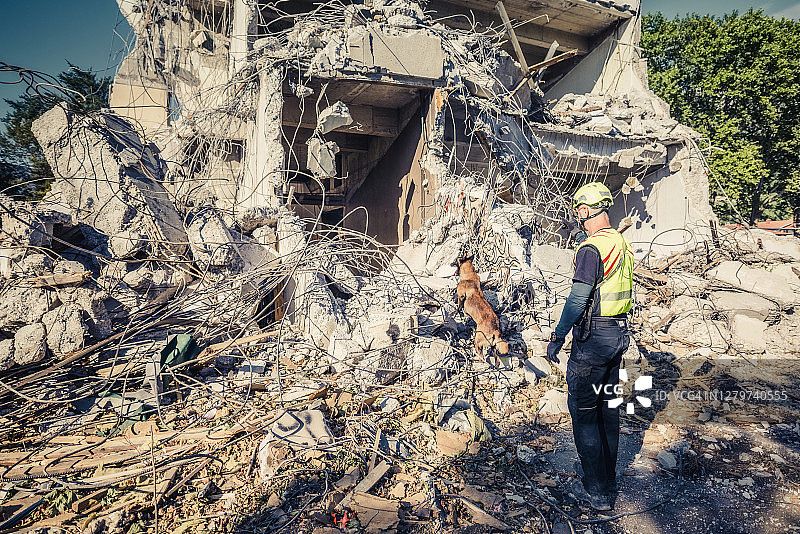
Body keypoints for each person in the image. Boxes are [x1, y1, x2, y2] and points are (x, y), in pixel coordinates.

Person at [546, 182, 634, 511]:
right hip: (617, 336)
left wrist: (558, 335)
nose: (579, 220)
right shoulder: (621, 244)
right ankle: (608, 481)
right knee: (608, 412)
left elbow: (579, 298)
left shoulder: (591, 248)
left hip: (592, 341)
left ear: (586, 210)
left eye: (579, 213)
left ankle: (596, 491)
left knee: (584, 414)